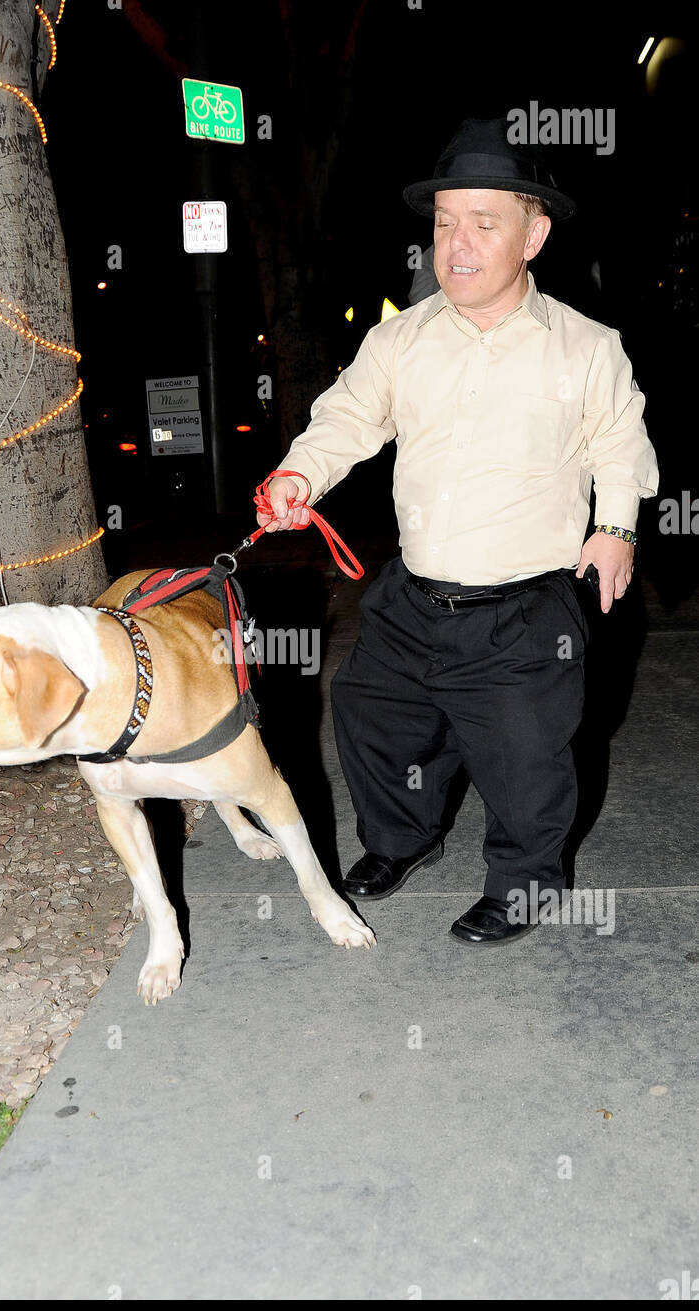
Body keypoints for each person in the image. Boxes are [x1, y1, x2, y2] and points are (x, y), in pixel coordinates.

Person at [257, 116, 658, 945]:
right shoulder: (399, 339)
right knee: (372, 719)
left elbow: (622, 445)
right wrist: (300, 473)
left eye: (484, 222)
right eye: (444, 223)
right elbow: (346, 418)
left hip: (524, 609)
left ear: (534, 234)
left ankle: (527, 885)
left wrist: (615, 527)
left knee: (524, 763)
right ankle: (403, 840)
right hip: (412, 594)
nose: (458, 244)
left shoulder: (586, 348)